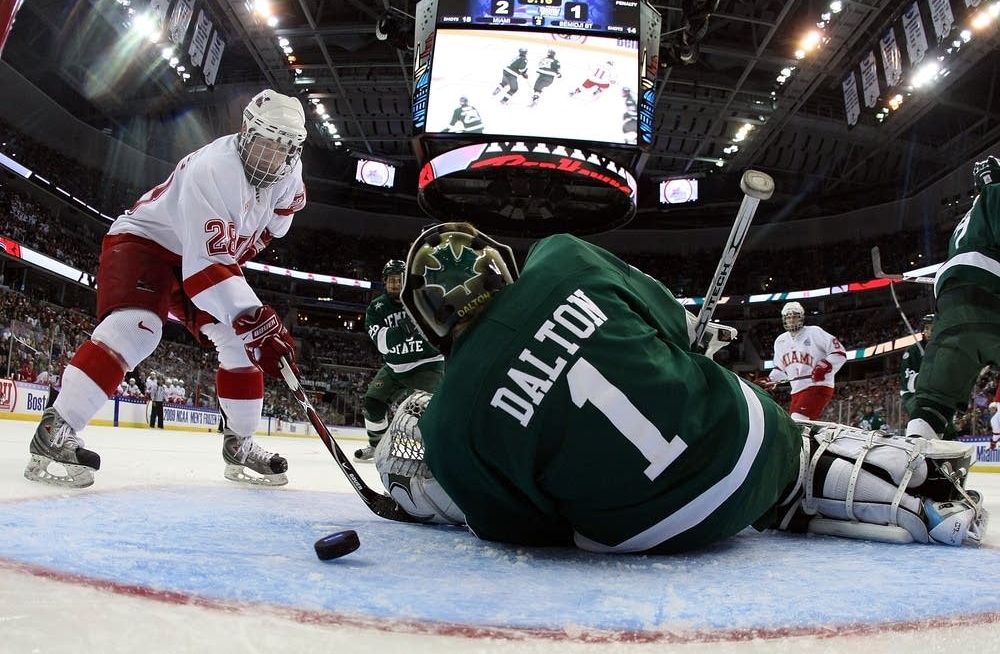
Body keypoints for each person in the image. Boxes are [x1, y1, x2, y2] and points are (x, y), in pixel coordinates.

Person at [373, 222, 987, 553]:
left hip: (638, 536)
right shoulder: (561, 257)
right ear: (497, 260)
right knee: (782, 443)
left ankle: (799, 485)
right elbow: (672, 321)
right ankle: (889, 479)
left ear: (431, 324)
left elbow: (530, 532)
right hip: (745, 446)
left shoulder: (446, 424)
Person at [23, 89, 306, 489]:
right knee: (137, 327)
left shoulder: (290, 181)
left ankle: (240, 444)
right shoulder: (215, 168)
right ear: (246, 132)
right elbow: (204, 268)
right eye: (263, 142)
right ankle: (55, 431)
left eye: (281, 149)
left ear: (294, 152)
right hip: (146, 242)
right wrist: (255, 319)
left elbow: (262, 235)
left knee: (241, 345)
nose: (269, 156)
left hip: (202, 257)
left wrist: (248, 325)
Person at [906, 155, 1000, 440]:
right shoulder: (995, 195)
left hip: (951, 308)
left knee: (932, 402)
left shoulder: (967, 219)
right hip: (990, 298)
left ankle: (912, 468)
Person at [353, 259, 445, 463]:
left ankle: (436, 454)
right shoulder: (377, 308)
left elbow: (443, 326)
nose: (395, 284)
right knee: (372, 405)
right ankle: (377, 447)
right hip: (395, 367)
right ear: (384, 282)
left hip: (427, 364)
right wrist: (404, 329)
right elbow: (383, 344)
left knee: (429, 412)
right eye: (391, 280)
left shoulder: (422, 299)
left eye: (400, 279)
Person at [764, 302, 846, 420]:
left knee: (798, 422)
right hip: (796, 390)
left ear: (801, 318)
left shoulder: (814, 332)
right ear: (784, 319)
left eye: (795, 316)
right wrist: (770, 380)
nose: (792, 320)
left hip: (818, 386)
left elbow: (840, 353)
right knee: (796, 428)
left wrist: (824, 366)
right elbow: (780, 369)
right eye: (788, 317)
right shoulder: (780, 341)